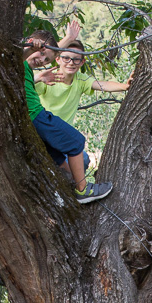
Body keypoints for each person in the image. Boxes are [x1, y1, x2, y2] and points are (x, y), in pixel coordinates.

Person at [23, 30, 113, 204]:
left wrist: (68, 40)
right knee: (76, 141)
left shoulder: (27, 69)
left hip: (32, 121)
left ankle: (69, 189)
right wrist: (29, 48)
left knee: (56, 157)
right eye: (41, 54)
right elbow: (21, 55)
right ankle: (83, 190)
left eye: (46, 60)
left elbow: (52, 51)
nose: (42, 60)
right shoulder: (18, 62)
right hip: (36, 115)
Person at [34, 38, 133, 127]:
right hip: (43, 127)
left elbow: (102, 84)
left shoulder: (81, 80)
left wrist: (125, 86)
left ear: (82, 62)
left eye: (76, 59)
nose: (71, 63)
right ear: (58, 59)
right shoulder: (48, 77)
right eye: (66, 58)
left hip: (63, 133)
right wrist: (38, 78)